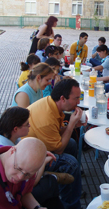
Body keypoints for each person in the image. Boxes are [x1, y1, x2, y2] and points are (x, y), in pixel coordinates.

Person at [0, 107, 66, 209]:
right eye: (27, 124)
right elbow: (28, 181)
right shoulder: (3, 151)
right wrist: (42, 162)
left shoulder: (11, 139)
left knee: (51, 194)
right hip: (9, 195)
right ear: (16, 129)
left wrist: (39, 155)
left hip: (11, 190)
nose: (29, 125)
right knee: (50, 184)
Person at [24, 79, 86, 209]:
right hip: (30, 158)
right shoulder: (46, 117)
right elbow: (58, 149)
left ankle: (71, 186)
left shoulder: (51, 103)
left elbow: (56, 130)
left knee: (72, 143)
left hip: (40, 143)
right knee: (72, 164)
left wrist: (73, 125)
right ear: (63, 98)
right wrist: (71, 126)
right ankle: (71, 204)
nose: (78, 102)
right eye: (76, 98)